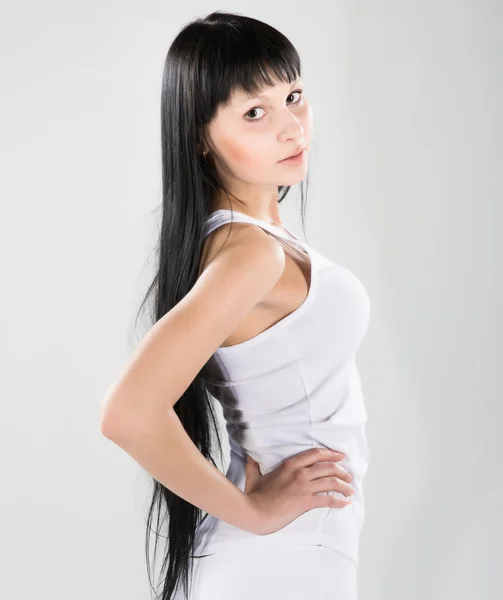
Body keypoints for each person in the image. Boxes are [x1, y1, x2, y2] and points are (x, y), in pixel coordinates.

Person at [100, 10, 371, 600]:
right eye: (255, 112)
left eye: (294, 96)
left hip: (292, 552)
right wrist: (257, 513)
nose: (292, 126)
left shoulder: (253, 241)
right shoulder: (251, 254)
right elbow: (128, 412)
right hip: (282, 560)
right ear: (200, 135)